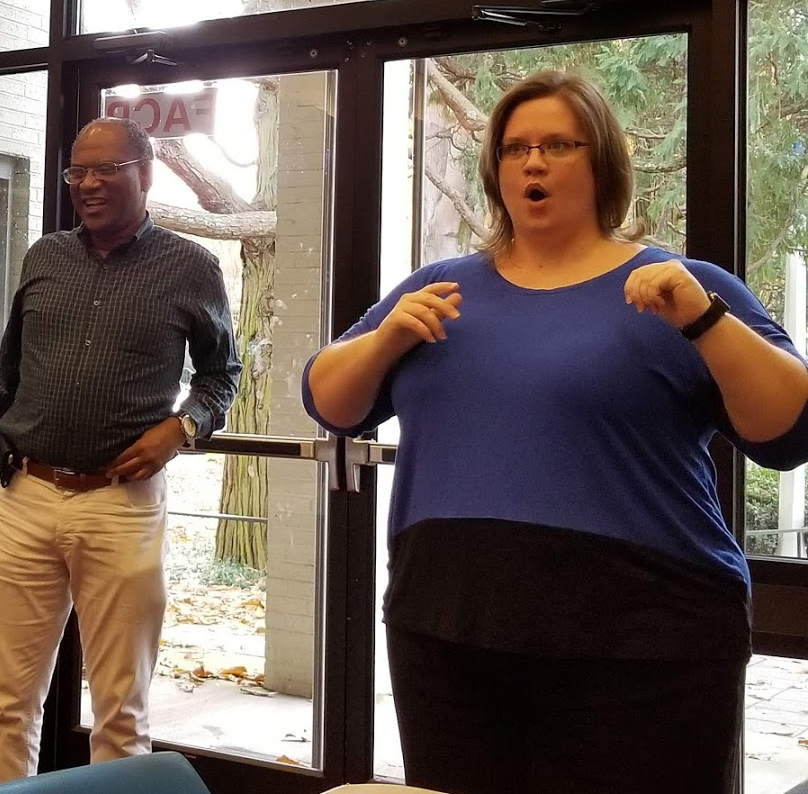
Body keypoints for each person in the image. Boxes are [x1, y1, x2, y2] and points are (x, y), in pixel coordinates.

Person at [302, 71, 808, 794]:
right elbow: (330, 402)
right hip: (447, 624)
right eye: (513, 149)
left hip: (645, 641)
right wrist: (384, 340)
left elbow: (788, 433)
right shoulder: (441, 287)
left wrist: (703, 321)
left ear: (600, 161)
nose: (531, 162)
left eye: (555, 145)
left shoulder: (680, 285)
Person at [0, 117, 241, 786]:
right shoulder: (45, 257)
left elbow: (222, 377)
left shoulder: (192, 267)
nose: (88, 184)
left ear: (145, 173)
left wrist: (180, 428)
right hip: (25, 499)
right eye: (77, 173)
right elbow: (6, 374)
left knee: (121, 713)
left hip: (120, 506)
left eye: (107, 170)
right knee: (5, 703)